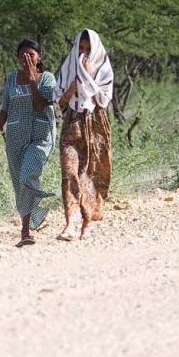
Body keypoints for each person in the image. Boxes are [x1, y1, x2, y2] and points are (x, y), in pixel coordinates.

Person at [0, 39, 57, 247]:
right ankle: (26, 231)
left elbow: (41, 105)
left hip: (40, 137)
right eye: (22, 55)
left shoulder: (47, 79)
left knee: (28, 175)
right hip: (15, 138)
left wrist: (33, 79)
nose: (26, 59)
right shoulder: (12, 79)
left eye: (31, 55)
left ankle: (42, 204)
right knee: (20, 184)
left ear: (39, 57)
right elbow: (4, 111)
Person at [54, 29, 114, 240]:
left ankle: (86, 224)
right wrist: (70, 91)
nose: (84, 53)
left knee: (90, 174)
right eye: (81, 48)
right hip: (72, 123)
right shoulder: (68, 68)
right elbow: (59, 104)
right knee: (69, 172)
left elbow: (103, 100)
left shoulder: (103, 70)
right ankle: (70, 223)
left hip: (95, 124)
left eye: (88, 49)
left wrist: (88, 76)